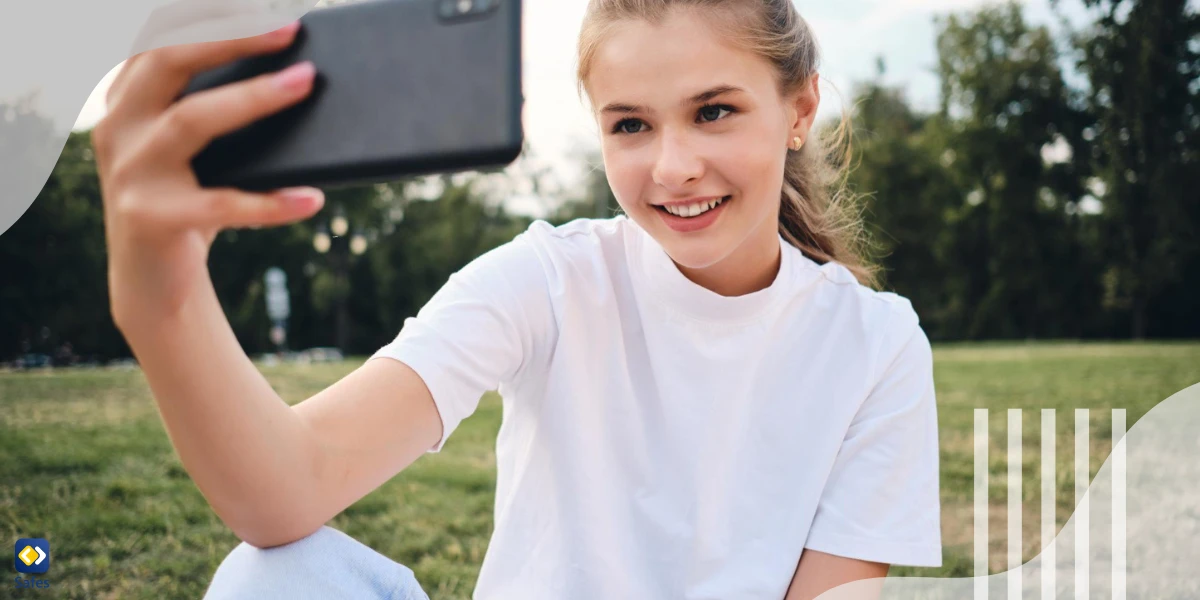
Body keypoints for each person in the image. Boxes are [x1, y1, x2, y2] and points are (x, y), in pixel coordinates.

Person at [93, 0, 943, 598]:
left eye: (714, 112)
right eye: (631, 125)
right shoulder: (550, 277)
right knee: (271, 579)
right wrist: (159, 303)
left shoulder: (876, 344)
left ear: (799, 109)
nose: (672, 166)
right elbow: (286, 488)